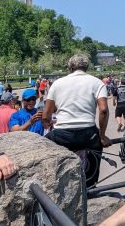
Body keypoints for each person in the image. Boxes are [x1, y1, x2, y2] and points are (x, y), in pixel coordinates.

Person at [43, 53, 110, 188]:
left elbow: (46, 115)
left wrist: (48, 122)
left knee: (46, 146)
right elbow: (103, 110)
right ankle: (91, 184)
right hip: (87, 134)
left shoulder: (57, 84)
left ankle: (55, 185)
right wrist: (102, 136)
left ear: (70, 67)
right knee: (95, 150)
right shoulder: (97, 83)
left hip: (62, 134)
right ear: (87, 67)